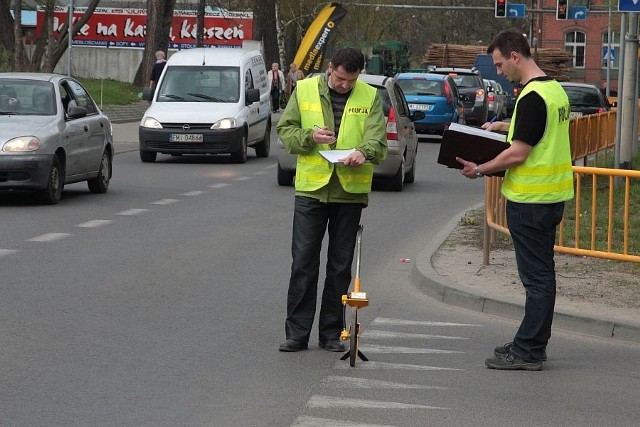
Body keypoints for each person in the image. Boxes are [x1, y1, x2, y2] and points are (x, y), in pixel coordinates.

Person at [456, 30, 574, 371]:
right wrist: (506, 126)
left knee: (537, 279)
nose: (498, 72)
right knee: (542, 276)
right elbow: (538, 131)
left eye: (499, 64)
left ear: (515, 57)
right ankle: (530, 342)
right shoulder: (553, 91)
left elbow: (519, 153)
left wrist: (479, 169)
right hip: (550, 197)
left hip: (531, 201)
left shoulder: (533, 96)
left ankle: (529, 350)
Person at [276, 47, 387, 353]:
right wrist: (310, 137)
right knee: (303, 263)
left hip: (348, 193)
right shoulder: (305, 89)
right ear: (330, 68)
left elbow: (377, 139)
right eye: (340, 79)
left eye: (351, 81)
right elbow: (285, 131)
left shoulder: (370, 96)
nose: (344, 86)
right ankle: (297, 334)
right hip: (311, 190)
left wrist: (363, 152)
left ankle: (331, 332)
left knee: (340, 266)